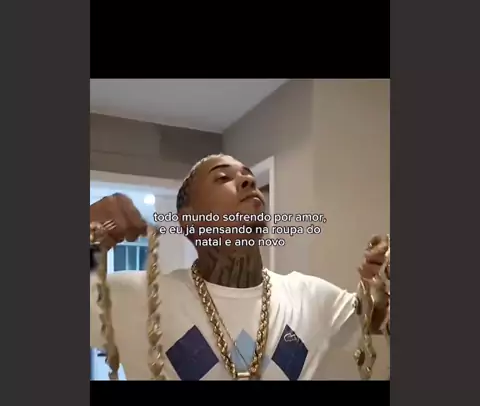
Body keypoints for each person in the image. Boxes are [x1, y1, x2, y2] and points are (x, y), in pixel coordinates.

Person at [90, 154, 389, 380]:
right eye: (222, 178)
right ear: (189, 220)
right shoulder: (141, 297)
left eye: (250, 177)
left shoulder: (308, 297)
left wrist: (380, 280)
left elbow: (371, 318)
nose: (248, 182)